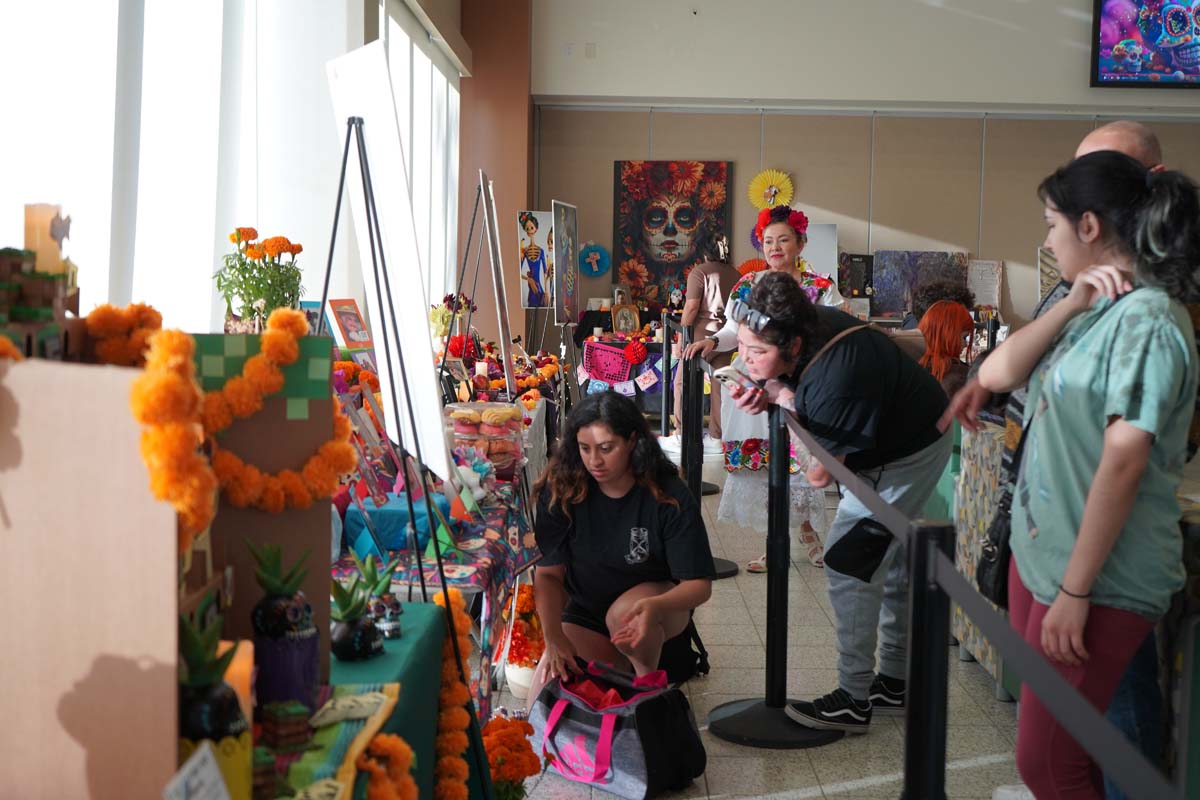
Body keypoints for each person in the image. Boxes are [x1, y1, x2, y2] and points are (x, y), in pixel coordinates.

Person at [942, 121, 1174, 800]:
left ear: (1093, 222)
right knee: (1059, 753)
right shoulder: (1089, 296)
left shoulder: (1149, 316)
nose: (1046, 241)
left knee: (1071, 754)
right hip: (1048, 547)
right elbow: (1001, 370)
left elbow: (1125, 460)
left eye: (1054, 224)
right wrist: (1073, 300)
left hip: (1095, 568)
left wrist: (1075, 591)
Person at [729, 270, 952, 734]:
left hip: (907, 452)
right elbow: (787, 390)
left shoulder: (837, 373)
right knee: (886, 560)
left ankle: (853, 698)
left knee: (849, 561)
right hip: (894, 435)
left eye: (758, 352)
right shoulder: (803, 324)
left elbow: (818, 473)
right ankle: (894, 684)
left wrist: (782, 398)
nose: (746, 360)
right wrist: (769, 386)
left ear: (793, 344)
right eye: (743, 347)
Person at [528, 391, 715, 706]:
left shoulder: (667, 494)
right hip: (587, 612)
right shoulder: (562, 489)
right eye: (585, 448)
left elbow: (699, 585)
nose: (594, 461)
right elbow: (548, 575)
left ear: (632, 441)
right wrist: (553, 637)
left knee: (626, 615)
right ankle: (622, 669)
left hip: (659, 610)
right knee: (542, 701)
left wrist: (655, 606)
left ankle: (647, 694)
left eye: (606, 448)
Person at [685, 205, 842, 571]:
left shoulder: (819, 288)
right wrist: (712, 341)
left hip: (802, 383)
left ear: (801, 243)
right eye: (768, 241)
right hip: (754, 382)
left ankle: (808, 533)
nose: (774, 248)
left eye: (783, 240)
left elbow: (833, 332)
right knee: (766, 465)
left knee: (801, 462)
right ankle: (776, 544)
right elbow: (732, 330)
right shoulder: (747, 285)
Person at [673, 233, 740, 438]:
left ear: (703, 251)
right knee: (720, 389)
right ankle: (717, 436)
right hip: (727, 338)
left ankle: (682, 432)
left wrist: (681, 337)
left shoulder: (699, 272)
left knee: (683, 384)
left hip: (699, 338)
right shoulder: (736, 274)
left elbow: (691, 308)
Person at [918, 300, 975, 398]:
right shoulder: (960, 377)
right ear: (949, 336)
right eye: (964, 337)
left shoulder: (914, 368)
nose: (966, 345)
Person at [519, 212, 548, 307]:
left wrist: (546, 292)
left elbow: (545, 272)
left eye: (531, 228)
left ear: (536, 229)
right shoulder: (525, 252)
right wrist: (529, 279)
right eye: (527, 229)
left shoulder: (541, 251)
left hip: (539, 288)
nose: (530, 231)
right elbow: (518, 272)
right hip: (531, 287)